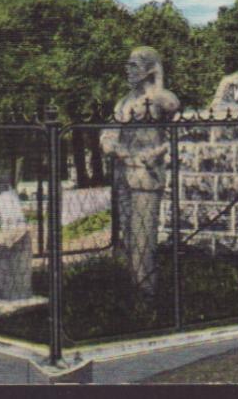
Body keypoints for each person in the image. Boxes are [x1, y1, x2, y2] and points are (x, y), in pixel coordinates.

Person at [101, 47, 180, 295]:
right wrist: (114, 147)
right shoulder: (122, 102)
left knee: (144, 240)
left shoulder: (158, 99)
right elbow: (107, 136)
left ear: (148, 69)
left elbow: (175, 114)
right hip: (123, 174)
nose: (128, 70)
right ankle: (132, 290)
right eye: (128, 65)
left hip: (147, 175)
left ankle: (146, 294)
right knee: (128, 236)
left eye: (134, 65)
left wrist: (158, 79)